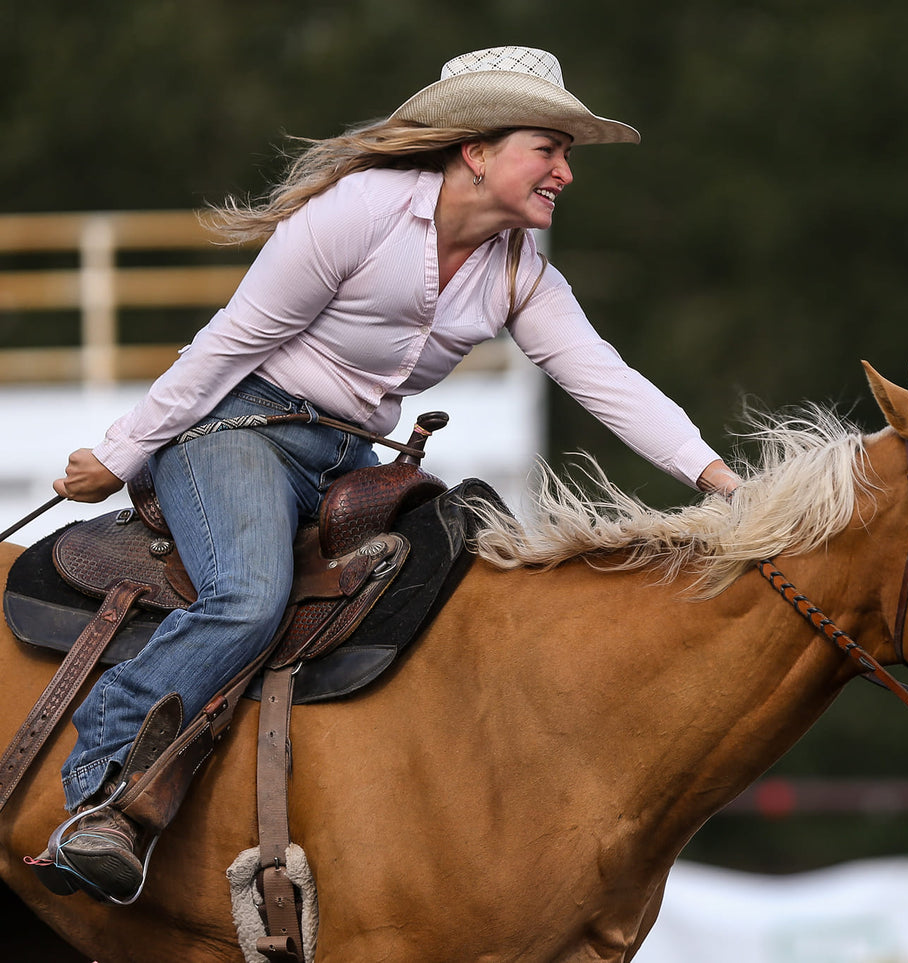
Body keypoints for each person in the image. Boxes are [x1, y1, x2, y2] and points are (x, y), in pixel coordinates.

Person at [38, 45, 741, 902]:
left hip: (348, 459)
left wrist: (722, 485)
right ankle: (102, 793)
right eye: (547, 149)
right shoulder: (359, 211)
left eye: (566, 155)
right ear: (477, 150)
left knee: (449, 606)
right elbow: (231, 343)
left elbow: (606, 379)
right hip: (237, 431)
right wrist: (120, 453)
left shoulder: (521, 269)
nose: (564, 172)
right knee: (249, 595)